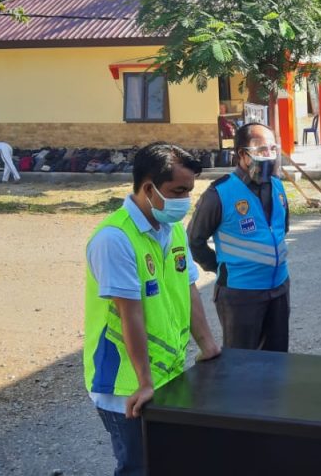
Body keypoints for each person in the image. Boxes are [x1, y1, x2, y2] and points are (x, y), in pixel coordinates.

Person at [84, 142, 221, 476]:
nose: (184, 201)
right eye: (177, 191)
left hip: (168, 375)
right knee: (139, 466)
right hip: (126, 385)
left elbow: (189, 290)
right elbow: (130, 314)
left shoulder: (171, 229)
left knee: (170, 460)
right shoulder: (114, 239)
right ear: (148, 187)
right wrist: (144, 382)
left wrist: (208, 345)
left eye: (189, 191)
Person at [187, 123, 291, 351]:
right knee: (241, 364)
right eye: (262, 150)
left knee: (278, 360)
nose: (270, 156)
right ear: (243, 155)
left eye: (273, 149)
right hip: (241, 293)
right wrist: (220, 267)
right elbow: (194, 239)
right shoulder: (219, 194)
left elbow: (282, 228)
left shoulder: (277, 186)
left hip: (279, 288)